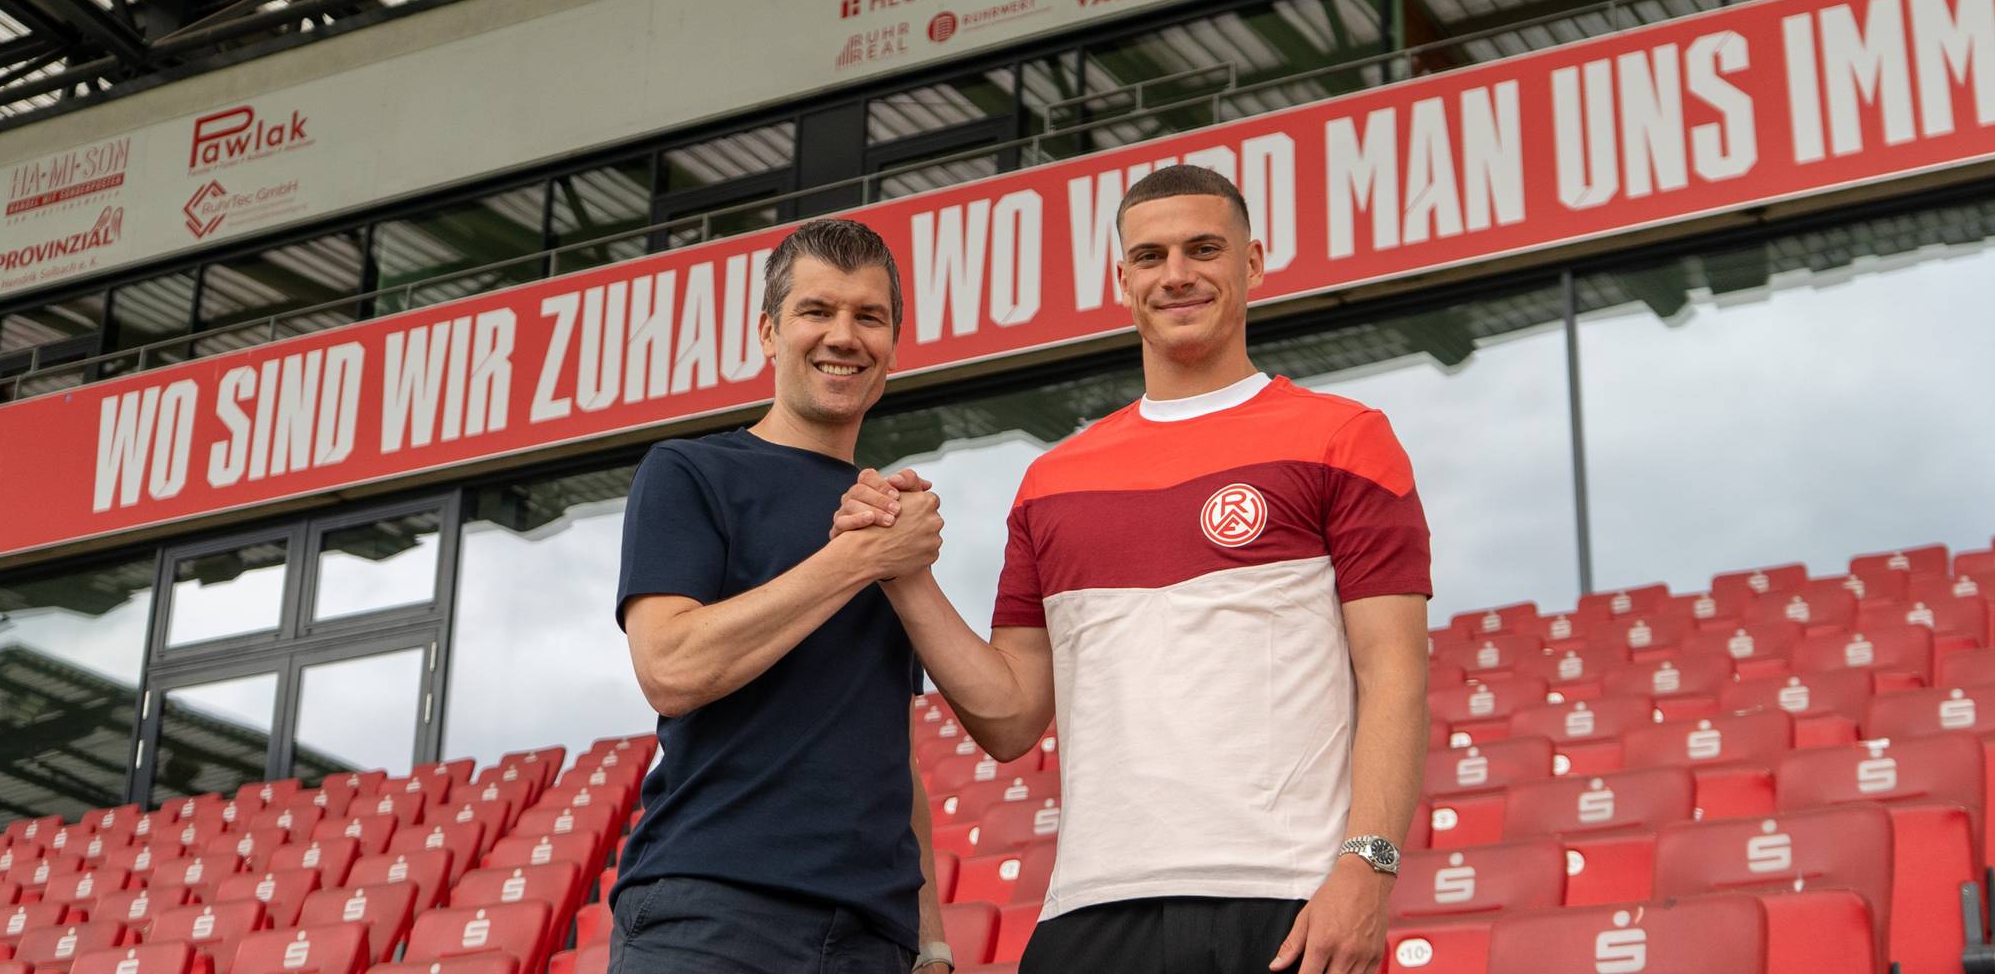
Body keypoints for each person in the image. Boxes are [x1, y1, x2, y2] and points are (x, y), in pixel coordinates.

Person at [840, 164, 1431, 974]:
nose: (1176, 274)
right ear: (1122, 280)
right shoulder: (1051, 482)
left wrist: (1367, 866)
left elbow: (1394, 668)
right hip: (1089, 910)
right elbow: (1010, 720)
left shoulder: (1345, 439)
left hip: (1284, 898)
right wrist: (903, 575)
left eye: (1203, 249)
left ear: (1252, 264)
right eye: (1150, 257)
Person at [611, 218, 959, 974]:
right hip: (709, 913)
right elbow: (670, 667)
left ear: (893, 345)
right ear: (770, 333)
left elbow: (888, 752)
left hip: (874, 940)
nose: (844, 335)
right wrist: (860, 558)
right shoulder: (690, 472)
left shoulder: (886, 518)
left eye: (868, 316)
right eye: (816, 311)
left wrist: (931, 944)